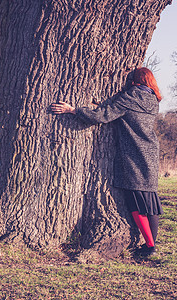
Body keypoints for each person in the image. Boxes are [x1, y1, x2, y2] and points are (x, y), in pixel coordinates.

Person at [51, 67, 163, 257]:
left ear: (134, 81)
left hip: (134, 154)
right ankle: (151, 243)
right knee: (150, 199)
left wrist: (73, 110)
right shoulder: (154, 100)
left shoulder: (129, 98)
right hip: (151, 152)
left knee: (135, 201)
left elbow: (101, 116)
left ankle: (150, 246)